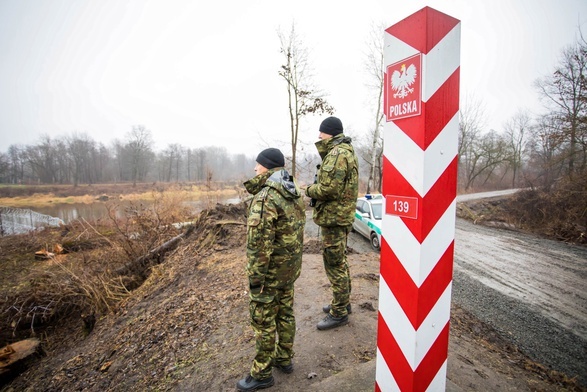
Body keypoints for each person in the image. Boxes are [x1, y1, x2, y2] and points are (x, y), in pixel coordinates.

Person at [236, 148, 305, 392]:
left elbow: (258, 246)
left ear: (266, 166)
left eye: (258, 165)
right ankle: (284, 359)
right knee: (285, 314)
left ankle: (262, 372)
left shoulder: (266, 196)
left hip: (270, 275)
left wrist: (256, 280)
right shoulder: (293, 191)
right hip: (288, 272)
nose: (255, 169)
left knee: (264, 322)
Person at [305, 116, 359, 331]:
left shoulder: (337, 154)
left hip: (335, 219)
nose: (319, 136)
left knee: (334, 264)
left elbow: (328, 189)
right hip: (339, 217)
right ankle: (343, 303)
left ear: (330, 133)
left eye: (322, 132)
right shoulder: (345, 151)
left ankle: (339, 314)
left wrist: (308, 190)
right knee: (340, 261)